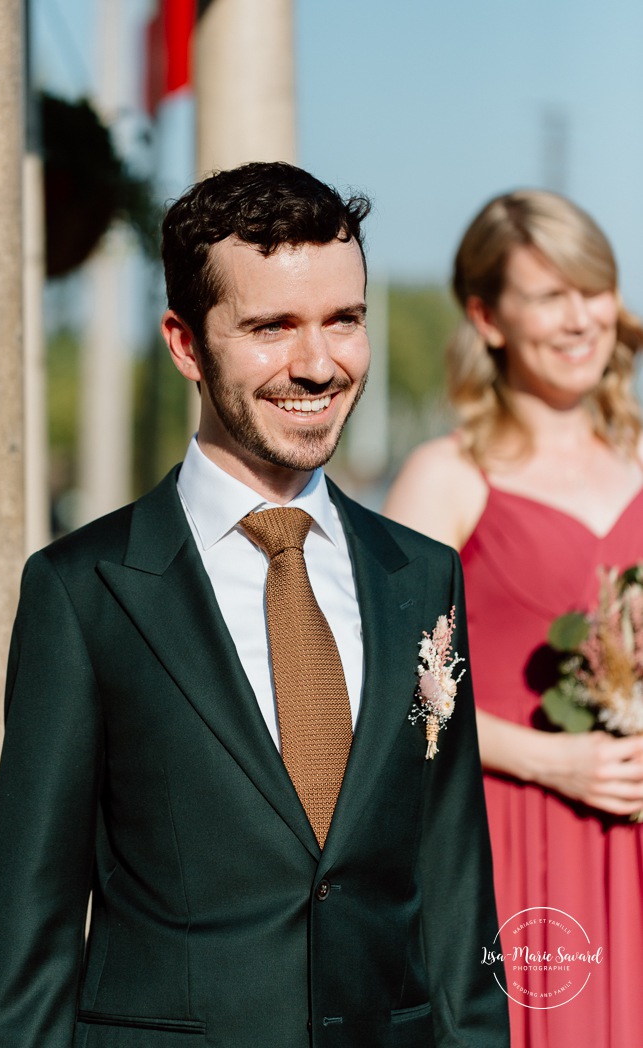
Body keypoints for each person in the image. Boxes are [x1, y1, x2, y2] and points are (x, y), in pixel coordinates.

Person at [0, 162, 508, 1048]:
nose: (317, 362)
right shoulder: (83, 590)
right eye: (271, 326)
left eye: (344, 320)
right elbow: (31, 940)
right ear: (185, 343)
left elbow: (455, 889)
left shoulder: (421, 575)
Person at [384, 188, 643, 1048]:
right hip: (518, 837)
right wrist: (555, 762)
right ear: (486, 316)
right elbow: (398, 692)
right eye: (547, 296)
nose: (580, 319)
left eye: (593, 289)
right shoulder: (446, 476)